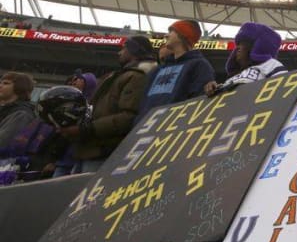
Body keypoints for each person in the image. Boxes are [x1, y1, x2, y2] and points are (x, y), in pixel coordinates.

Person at [57, 36, 157, 173]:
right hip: (91, 148)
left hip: (103, 150)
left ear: (134, 50)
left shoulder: (136, 77)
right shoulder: (122, 75)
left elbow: (127, 117)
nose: (119, 52)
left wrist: (86, 129)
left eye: (124, 48)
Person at [135, 20, 215, 122]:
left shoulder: (199, 65)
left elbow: (197, 104)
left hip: (171, 131)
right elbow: (143, 103)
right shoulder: (158, 69)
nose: (166, 35)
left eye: (171, 31)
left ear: (183, 36)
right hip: (142, 129)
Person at [204, 22, 287, 95]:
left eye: (242, 44)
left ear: (255, 46)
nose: (237, 48)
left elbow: (286, 89)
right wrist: (214, 90)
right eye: (238, 45)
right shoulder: (233, 77)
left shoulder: (270, 64)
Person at [0, 72, 36, 150]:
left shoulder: (22, 114)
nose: (0, 86)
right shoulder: (5, 110)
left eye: (6, 83)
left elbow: (3, 143)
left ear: (20, 87)